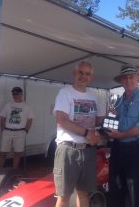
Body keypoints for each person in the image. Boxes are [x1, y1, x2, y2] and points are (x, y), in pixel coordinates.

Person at [53, 61, 105, 207]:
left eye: (87, 74)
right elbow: (61, 120)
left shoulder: (94, 96)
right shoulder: (65, 93)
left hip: (88, 150)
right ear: (74, 73)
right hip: (69, 150)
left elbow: (98, 121)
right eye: (81, 72)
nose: (84, 76)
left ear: (91, 77)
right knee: (64, 196)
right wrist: (87, 132)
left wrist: (110, 116)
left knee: (84, 193)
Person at [107, 64, 139, 207]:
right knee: (116, 186)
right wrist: (111, 117)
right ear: (121, 81)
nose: (128, 80)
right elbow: (115, 123)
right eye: (125, 78)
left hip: (136, 149)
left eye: (131, 77)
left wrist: (121, 135)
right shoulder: (119, 100)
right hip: (117, 147)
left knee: (136, 188)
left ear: (137, 79)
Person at [0, 87, 33, 169]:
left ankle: (14, 172)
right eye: (13, 94)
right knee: (2, 153)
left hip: (20, 132)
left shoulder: (26, 106)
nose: (14, 95)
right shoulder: (8, 104)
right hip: (7, 131)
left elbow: (30, 119)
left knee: (18, 153)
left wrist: (26, 131)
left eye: (16, 94)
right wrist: (3, 130)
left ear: (21, 94)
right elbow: (2, 117)